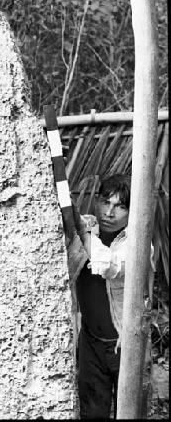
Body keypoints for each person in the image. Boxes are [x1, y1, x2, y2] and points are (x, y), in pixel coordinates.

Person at [67, 173, 155, 419]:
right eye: (105, 202)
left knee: (130, 412)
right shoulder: (89, 229)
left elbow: (110, 266)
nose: (109, 212)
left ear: (132, 211)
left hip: (126, 344)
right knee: (92, 412)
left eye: (120, 207)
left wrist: (85, 234)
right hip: (91, 342)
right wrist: (81, 229)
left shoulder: (137, 243)